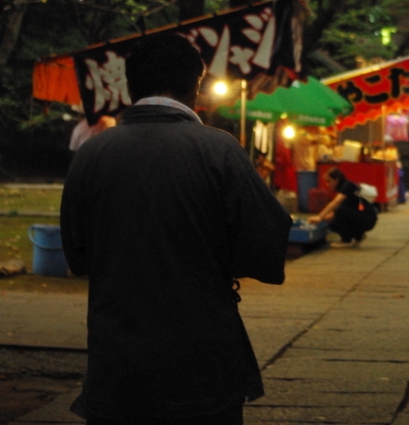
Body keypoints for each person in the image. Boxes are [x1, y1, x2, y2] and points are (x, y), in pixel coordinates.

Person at [61, 33, 292, 425]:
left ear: (130, 85)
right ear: (195, 84)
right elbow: (267, 245)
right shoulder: (219, 150)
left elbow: (77, 254)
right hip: (200, 361)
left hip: (117, 361)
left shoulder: (92, 154)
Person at [308, 168, 377, 246]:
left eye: (329, 181)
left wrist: (319, 217)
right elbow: (333, 215)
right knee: (332, 223)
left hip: (368, 218)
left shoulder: (347, 185)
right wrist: (317, 220)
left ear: (336, 179)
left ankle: (346, 240)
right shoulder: (342, 189)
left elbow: (335, 203)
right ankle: (358, 236)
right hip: (360, 217)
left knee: (339, 211)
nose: (327, 184)